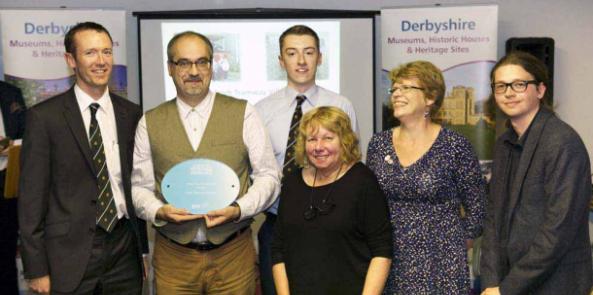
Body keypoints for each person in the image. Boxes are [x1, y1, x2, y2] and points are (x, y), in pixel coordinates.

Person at [131, 31, 280, 294]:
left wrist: (239, 209)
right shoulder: (150, 121)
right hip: (174, 258)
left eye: (202, 62)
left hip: (233, 255)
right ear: (170, 68)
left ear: (212, 66)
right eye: (184, 63)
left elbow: (268, 176)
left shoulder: (244, 113)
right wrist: (158, 210)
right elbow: (139, 187)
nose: (194, 71)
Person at [18, 22, 146, 294]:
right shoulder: (44, 118)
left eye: (107, 52)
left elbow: (137, 186)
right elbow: (31, 201)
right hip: (69, 253)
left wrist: (143, 252)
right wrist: (36, 269)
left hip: (124, 249)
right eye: (90, 53)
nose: (101, 61)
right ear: (70, 60)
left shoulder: (131, 114)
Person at [255, 24, 358, 295]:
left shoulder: (341, 106)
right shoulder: (261, 111)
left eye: (309, 52)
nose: (301, 61)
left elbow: (351, 166)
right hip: (278, 226)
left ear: (320, 57)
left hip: (331, 226)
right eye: (292, 53)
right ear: (281, 60)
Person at [366, 60, 486, 294]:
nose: (397, 94)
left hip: (441, 265)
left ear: (430, 98)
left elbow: (478, 207)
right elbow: (369, 204)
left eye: (406, 88)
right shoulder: (378, 145)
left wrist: (454, 247)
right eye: (395, 89)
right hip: (389, 259)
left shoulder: (455, 146)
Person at [480, 51, 593, 295]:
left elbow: (559, 229)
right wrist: (490, 283)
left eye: (519, 84)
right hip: (505, 282)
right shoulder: (503, 144)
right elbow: (493, 218)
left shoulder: (562, 142)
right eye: (501, 86)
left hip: (555, 284)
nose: (509, 92)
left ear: (540, 90)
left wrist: (506, 289)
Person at [271, 106, 392, 295]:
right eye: (312, 139)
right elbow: (278, 248)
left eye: (328, 138)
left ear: (344, 141)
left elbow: (382, 249)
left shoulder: (363, 181)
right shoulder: (292, 183)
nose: (319, 147)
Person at [0, 80, 26, 295]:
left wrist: (12, 146)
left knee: (6, 257)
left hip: (6, 189)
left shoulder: (11, 93)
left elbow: (27, 136)